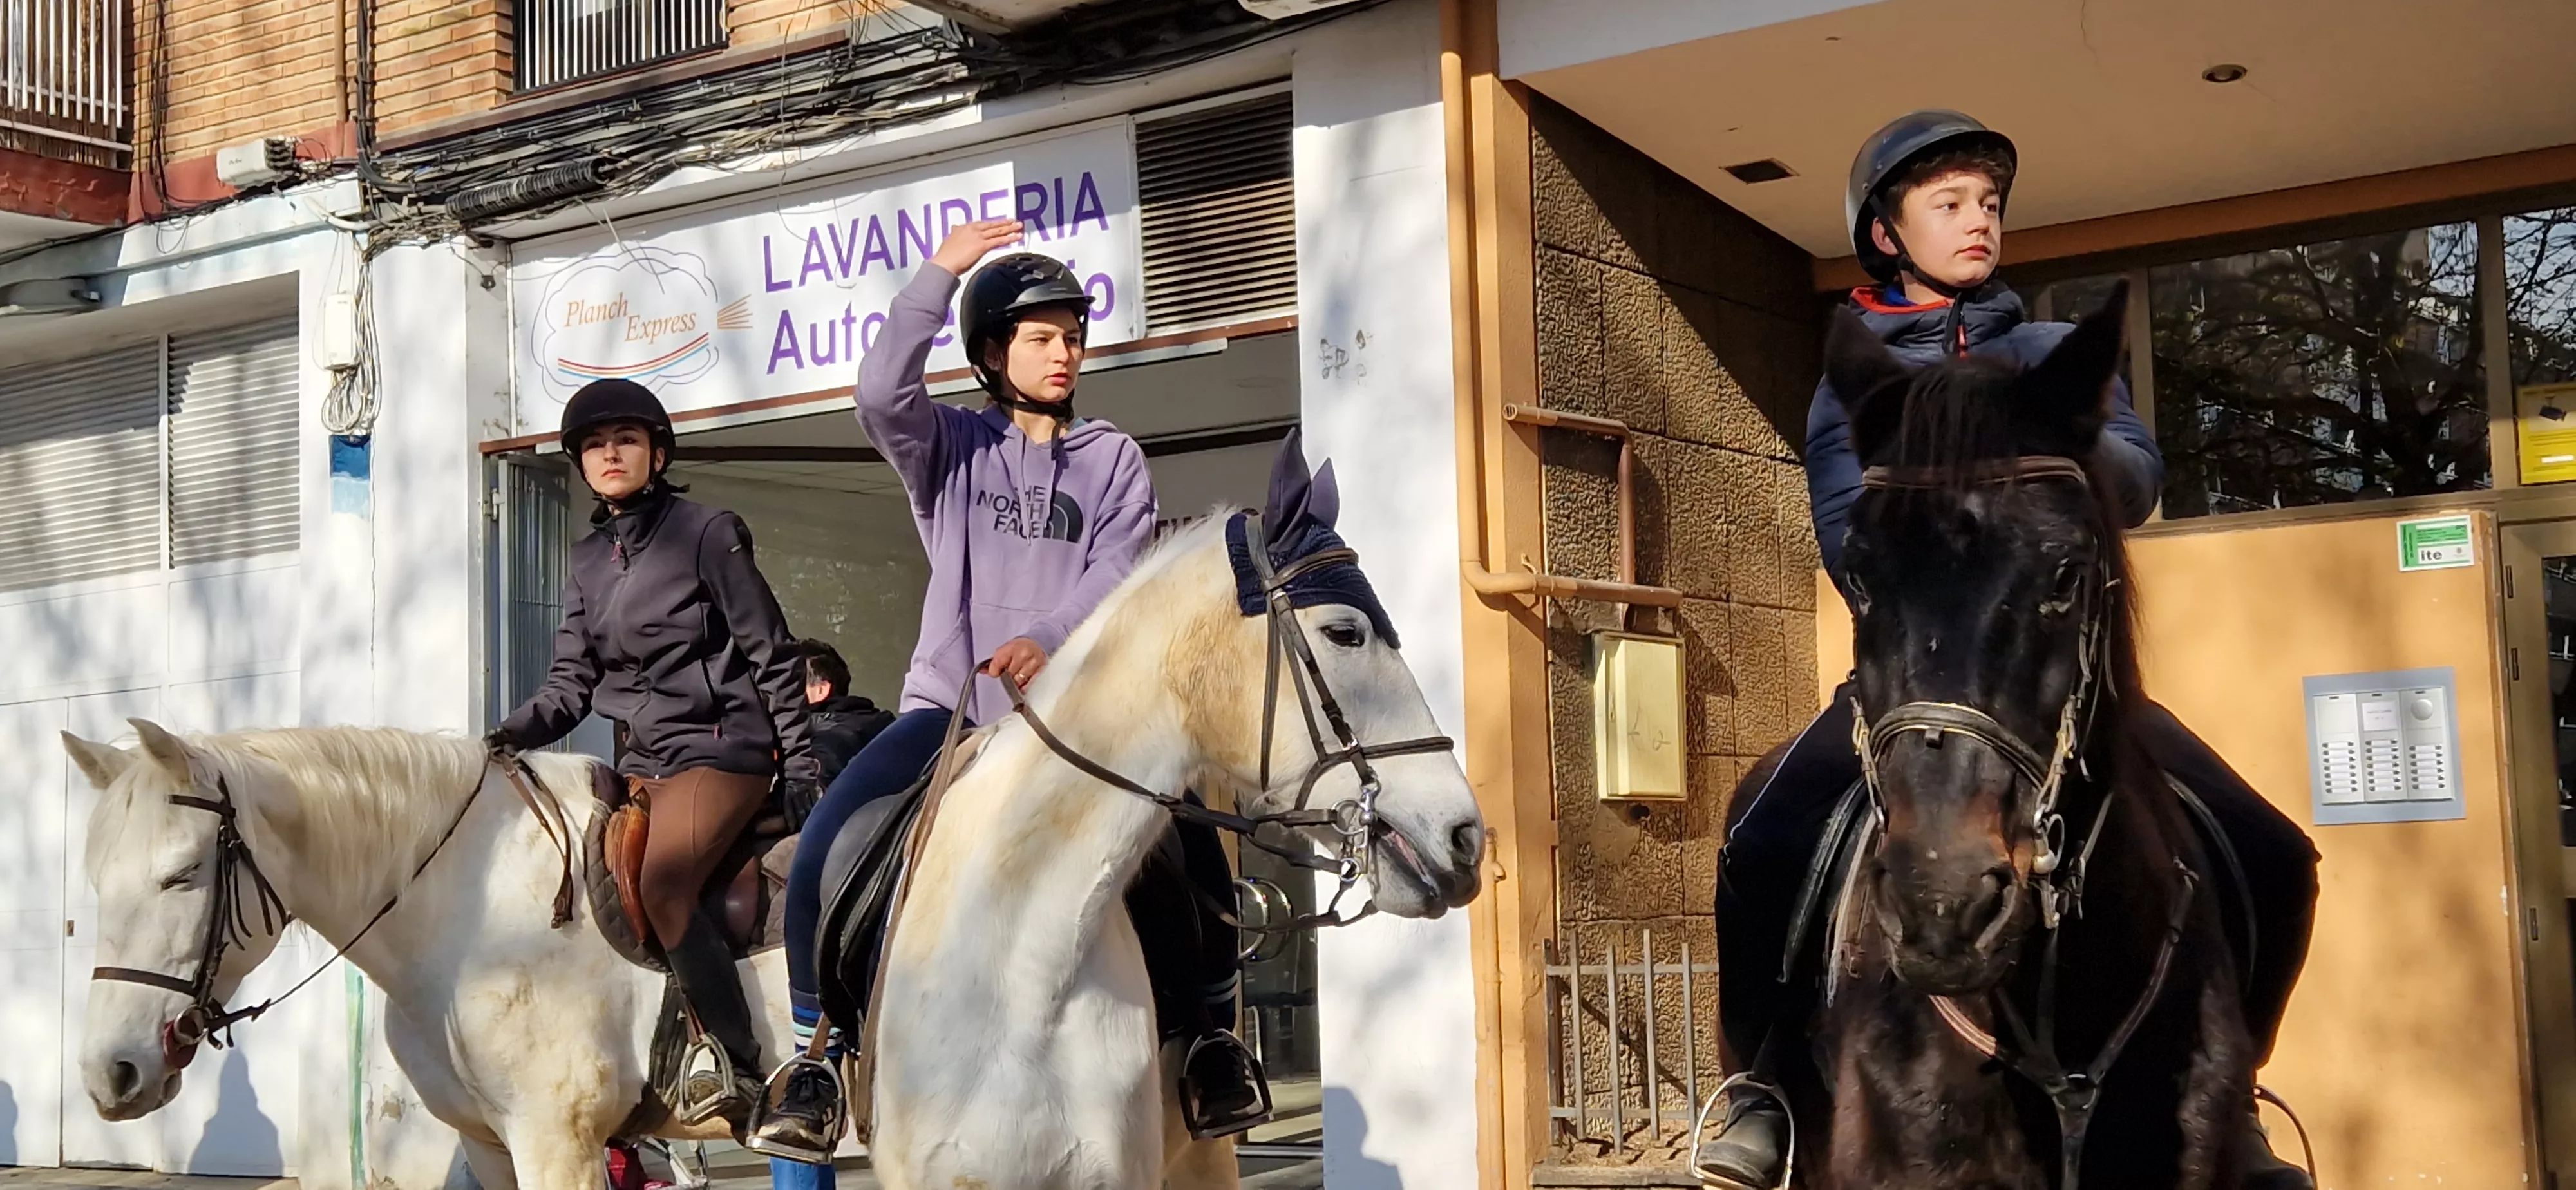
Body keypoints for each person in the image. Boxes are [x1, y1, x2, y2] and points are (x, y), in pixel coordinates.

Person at [1692, 112, 2319, 1190]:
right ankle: (1763, 1086)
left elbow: (2131, 470)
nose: (1977, 221)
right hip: (1916, 677)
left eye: (1988, 203)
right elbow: (1851, 535)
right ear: (1886, 231)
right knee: (1761, 837)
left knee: (2271, 847)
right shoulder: (1859, 371)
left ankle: (2242, 1096)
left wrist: (2044, 460)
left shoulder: (2046, 358)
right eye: (1948, 203)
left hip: (2056, 678)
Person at [749, 220, 1269, 1168]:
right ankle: (816, 1061)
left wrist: (1047, 641)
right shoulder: (948, 446)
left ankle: (1208, 1045)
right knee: (829, 848)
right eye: (1042, 335)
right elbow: (878, 393)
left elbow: (1116, 571)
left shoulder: (1113, 458)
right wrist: (941, 273)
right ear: (993, 352)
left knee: (1195, 854)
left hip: (1082, 728)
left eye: (1073, 335)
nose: (1065, 352)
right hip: (949, 714)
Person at [484, 377, 821, 1135]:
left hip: (720, 751)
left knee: (663, 883)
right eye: (596, 445)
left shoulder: (708, 532)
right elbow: (570, 684)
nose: (611, 454)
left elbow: (770, 654)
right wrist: (504, 737)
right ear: (579, 462)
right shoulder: (585, 562)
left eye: (626, 441)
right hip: (639, 761)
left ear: (657, 452)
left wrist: (800, 762)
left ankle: (739, 1070)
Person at [788, 638, 895, 792]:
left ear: (820, 690)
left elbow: (806, 799)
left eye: (789, 686)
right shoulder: (884, 726)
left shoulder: (823, 738)